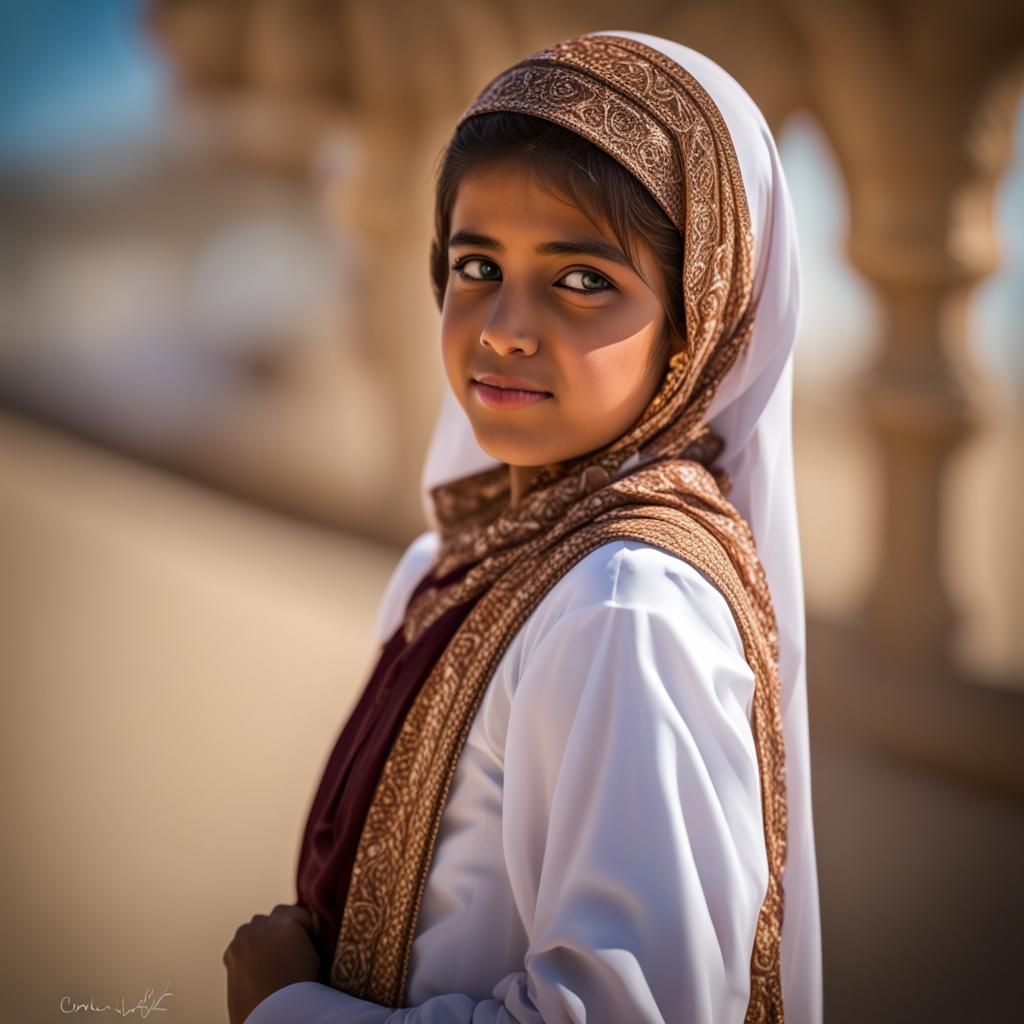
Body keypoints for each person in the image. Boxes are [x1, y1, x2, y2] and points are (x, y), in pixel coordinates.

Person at [223, 28, 822, 1024]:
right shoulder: (481, 562)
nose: (503, 327)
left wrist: (287, 1008)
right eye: (476, 264)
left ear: (697, 323)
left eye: (582, 279)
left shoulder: (624, 607)